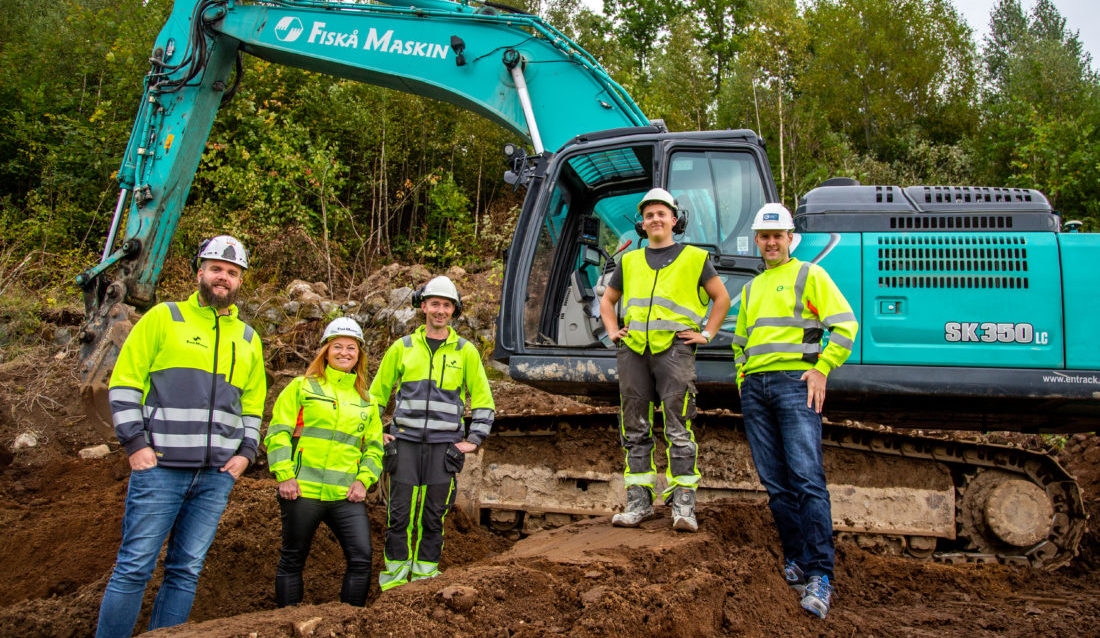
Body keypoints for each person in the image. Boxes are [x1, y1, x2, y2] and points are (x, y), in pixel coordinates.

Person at [97, 235, 266, 638]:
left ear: (240, 280)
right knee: (135, 565)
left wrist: (245, 453)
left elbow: (254, 405)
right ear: (200, 273)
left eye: (232, 272)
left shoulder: (247, 339)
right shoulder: (163, 318)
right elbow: (124, 384)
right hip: (160, 469)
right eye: (216, 269)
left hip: (214, 477)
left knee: (186, 570)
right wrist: (136, 445)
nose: (223, 277)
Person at [732, 203, 858, 620]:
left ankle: (821, 574)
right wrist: (743, 381)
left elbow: (845, 324)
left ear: (790, 239)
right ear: (758, 241)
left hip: (794, 385)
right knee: (776, 483)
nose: (771, 242)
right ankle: (798, 559)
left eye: (778, 235)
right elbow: (740, 343)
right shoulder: (751, 289)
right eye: (764, 237)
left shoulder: (810, 275)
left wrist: (821, 368)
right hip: (757, 390)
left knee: (806, 479)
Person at [599, 187, 731, 532]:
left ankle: (683, 504)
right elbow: (607, 301)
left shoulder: (694, 258)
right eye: (648, 215)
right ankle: (639, 501)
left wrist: (707, 334)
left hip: (674, 351)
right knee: (635, 427)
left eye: (662, 213)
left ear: (674, 220)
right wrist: (614, 330)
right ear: (641, 224)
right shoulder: (629, 262)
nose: (655, 219)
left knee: (679, 427)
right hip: (634, 353)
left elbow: (722, 299)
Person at [370, 275, 495, 590]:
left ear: (454, 310)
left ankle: (425, 578)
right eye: (435, 304)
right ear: (423, 306)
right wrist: (375, 431)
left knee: (433, 517)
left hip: (443, 449)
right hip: (405, 445)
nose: (440, 310)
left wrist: (474, 439)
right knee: (398, 516)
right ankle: (395, 582)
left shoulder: (465, 352)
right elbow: (374, 396)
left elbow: (483, 400)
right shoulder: (403, 348)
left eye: (447, 305)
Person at [263, 317, 384, 607]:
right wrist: (285, 476)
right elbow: (278, 433)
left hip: (345, 495)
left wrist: (363, 481)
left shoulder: (367, 401)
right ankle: (288, 623)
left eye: (351, 348)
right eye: (338, 347)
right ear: (326, 352)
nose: (344, 352)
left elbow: (374, 449)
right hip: (303, 491)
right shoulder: (301, 387)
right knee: (293, 559)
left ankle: (347, 622)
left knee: (361, 558)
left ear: (359, 355)